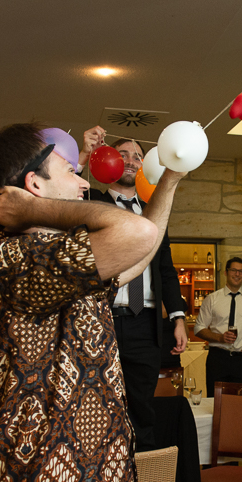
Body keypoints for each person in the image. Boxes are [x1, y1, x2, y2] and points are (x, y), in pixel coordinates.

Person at [0, 121, 186, 482]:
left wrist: (168, 180)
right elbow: (133, 232)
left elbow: (138, 251)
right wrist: (38, 212)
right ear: (32, 186)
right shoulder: (2, 263)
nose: (86, 181)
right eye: (70, 170)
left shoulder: (70, 261)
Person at [83, 127, 189, 451]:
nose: (131, 161)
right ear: (110, 160)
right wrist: (84, 155)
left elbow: (167, 271)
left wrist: (178, 318)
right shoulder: (93, 204)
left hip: (146, 325)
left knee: (142, 409)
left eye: (138, 156)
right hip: (104, 321)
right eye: (123, 153)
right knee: (101, 405)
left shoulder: (155, 213)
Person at [194, 256, 242, 388]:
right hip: (217, 357)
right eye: (233, 270)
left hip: (241, 359)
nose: (237, 274)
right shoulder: (212, 299)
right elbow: (198, 328)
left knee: (238, 401)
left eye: (241, 271)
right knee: (215, 401)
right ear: (225, 272)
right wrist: (219, 337)